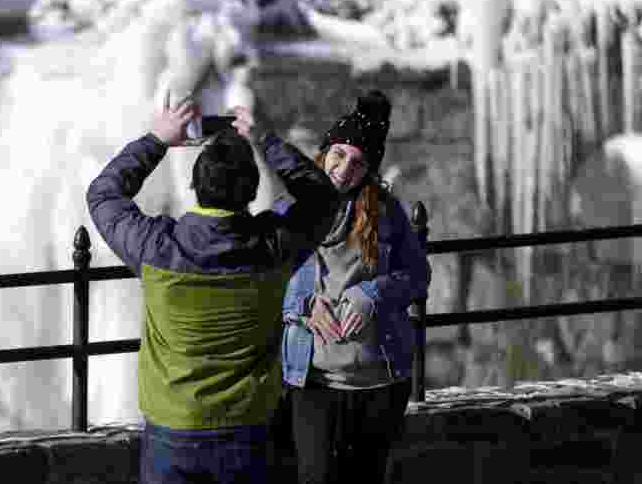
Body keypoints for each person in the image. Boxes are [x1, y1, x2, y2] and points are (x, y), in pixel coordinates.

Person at [86, 97, 341, 484]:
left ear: (194, 186)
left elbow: (103, 195)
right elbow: (322, 197)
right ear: (253, 191)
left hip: (173, 427)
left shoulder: (157, 248)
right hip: (250, 427)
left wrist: (158, 139)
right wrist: (266, 139)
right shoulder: (273, 247)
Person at [266, 90, 431, 484]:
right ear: (323, 153)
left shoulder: (386, 213)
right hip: (313, 378)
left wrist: (370, 295)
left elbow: (418, 274)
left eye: (358, 162)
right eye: (339, 154)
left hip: (380, 379)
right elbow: (264, 278)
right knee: (315, 477)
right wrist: (302, 305)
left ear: (369, 170)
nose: (344, 168)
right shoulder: (288, 211)